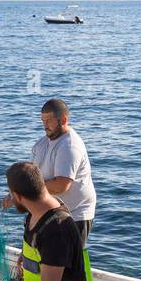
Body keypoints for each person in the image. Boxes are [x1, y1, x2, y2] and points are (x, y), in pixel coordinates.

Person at [5, 162, 97, 281]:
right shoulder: (36, 211)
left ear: (19, 196)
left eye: (11, 195)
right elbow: (37, 246)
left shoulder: (57, 231)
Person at [25, 98, 96, 243]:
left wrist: (28, 189)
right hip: (49, 212)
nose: (45, 125)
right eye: (42, 120)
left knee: (65, 263)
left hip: (73, 216)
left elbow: (61, 185)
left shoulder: (69, 146)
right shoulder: (41, 144)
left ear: (63, 120)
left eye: (49, 121)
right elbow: (30, 175)